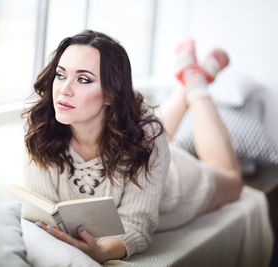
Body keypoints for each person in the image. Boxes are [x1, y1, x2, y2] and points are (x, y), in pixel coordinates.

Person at [22, 30, 243, 263]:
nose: (64, 90)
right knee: (148, 132)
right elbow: (43, 211)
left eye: (83, 79)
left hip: (178, 183)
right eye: (60, 74)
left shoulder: (148, 138)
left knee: (233, 180)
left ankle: (195, 84)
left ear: (110, 94)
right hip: (141, 147)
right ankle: (191, 78)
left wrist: (100, 252)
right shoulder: (41, 126)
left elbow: (137, 226)